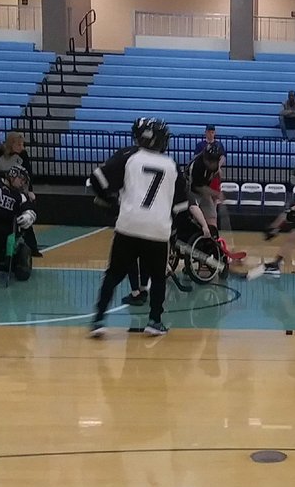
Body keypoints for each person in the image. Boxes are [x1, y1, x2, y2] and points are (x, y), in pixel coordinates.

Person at [88, 118, 208, 337]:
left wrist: (112, 201)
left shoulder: (129, 157)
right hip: (158, 230)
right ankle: (154, 321)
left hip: (128, 225)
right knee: (158, 277)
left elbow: (96, 179)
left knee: (114, 274)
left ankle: (98, 320)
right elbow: (182, 206)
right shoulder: (171, 165)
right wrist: (174, 230)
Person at [0, 131, 42, 256]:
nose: (22, 148)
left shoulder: (23, 154)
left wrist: (30, 190)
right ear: (11, 144)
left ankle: (32, 247)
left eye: (23, 145)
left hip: (17, 189)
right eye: (19, 145)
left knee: (23, 214)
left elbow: (28, 174)